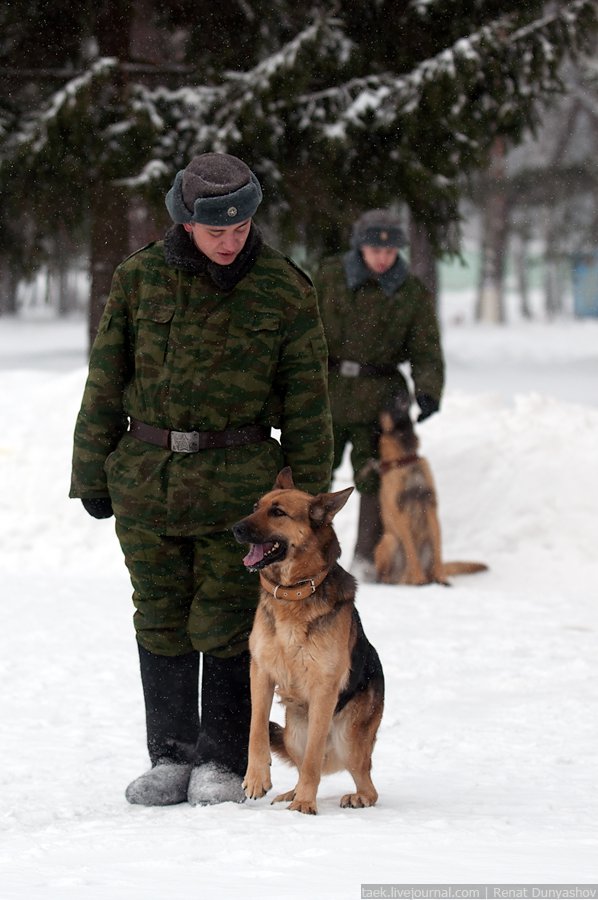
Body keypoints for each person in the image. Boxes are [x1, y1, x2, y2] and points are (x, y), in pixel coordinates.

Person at [70, 152, 333, 807]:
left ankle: (219, 757)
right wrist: (90, 472)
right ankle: (170, 756)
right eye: (217, 228)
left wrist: (313, 507)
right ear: (186, 221)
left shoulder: (284, 287)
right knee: (158, 616)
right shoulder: (139, 280)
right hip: (148, 480)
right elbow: (104, 382)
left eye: (242, 226)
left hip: (239, 488)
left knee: (225, 621)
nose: (231, 238)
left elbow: (307, 398)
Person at [315, 208, 444, 581]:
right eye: (375, 250)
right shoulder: (329, 277)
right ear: (360, 247)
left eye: (390, 251)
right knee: (314, 473)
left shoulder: (411, 292)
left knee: (373, 476)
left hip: (380, 396)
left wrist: (428, 390)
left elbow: (426, 348)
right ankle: (307, 550)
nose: (383, 257)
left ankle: (366, 557)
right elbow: (299, 329)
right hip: (328, 389)